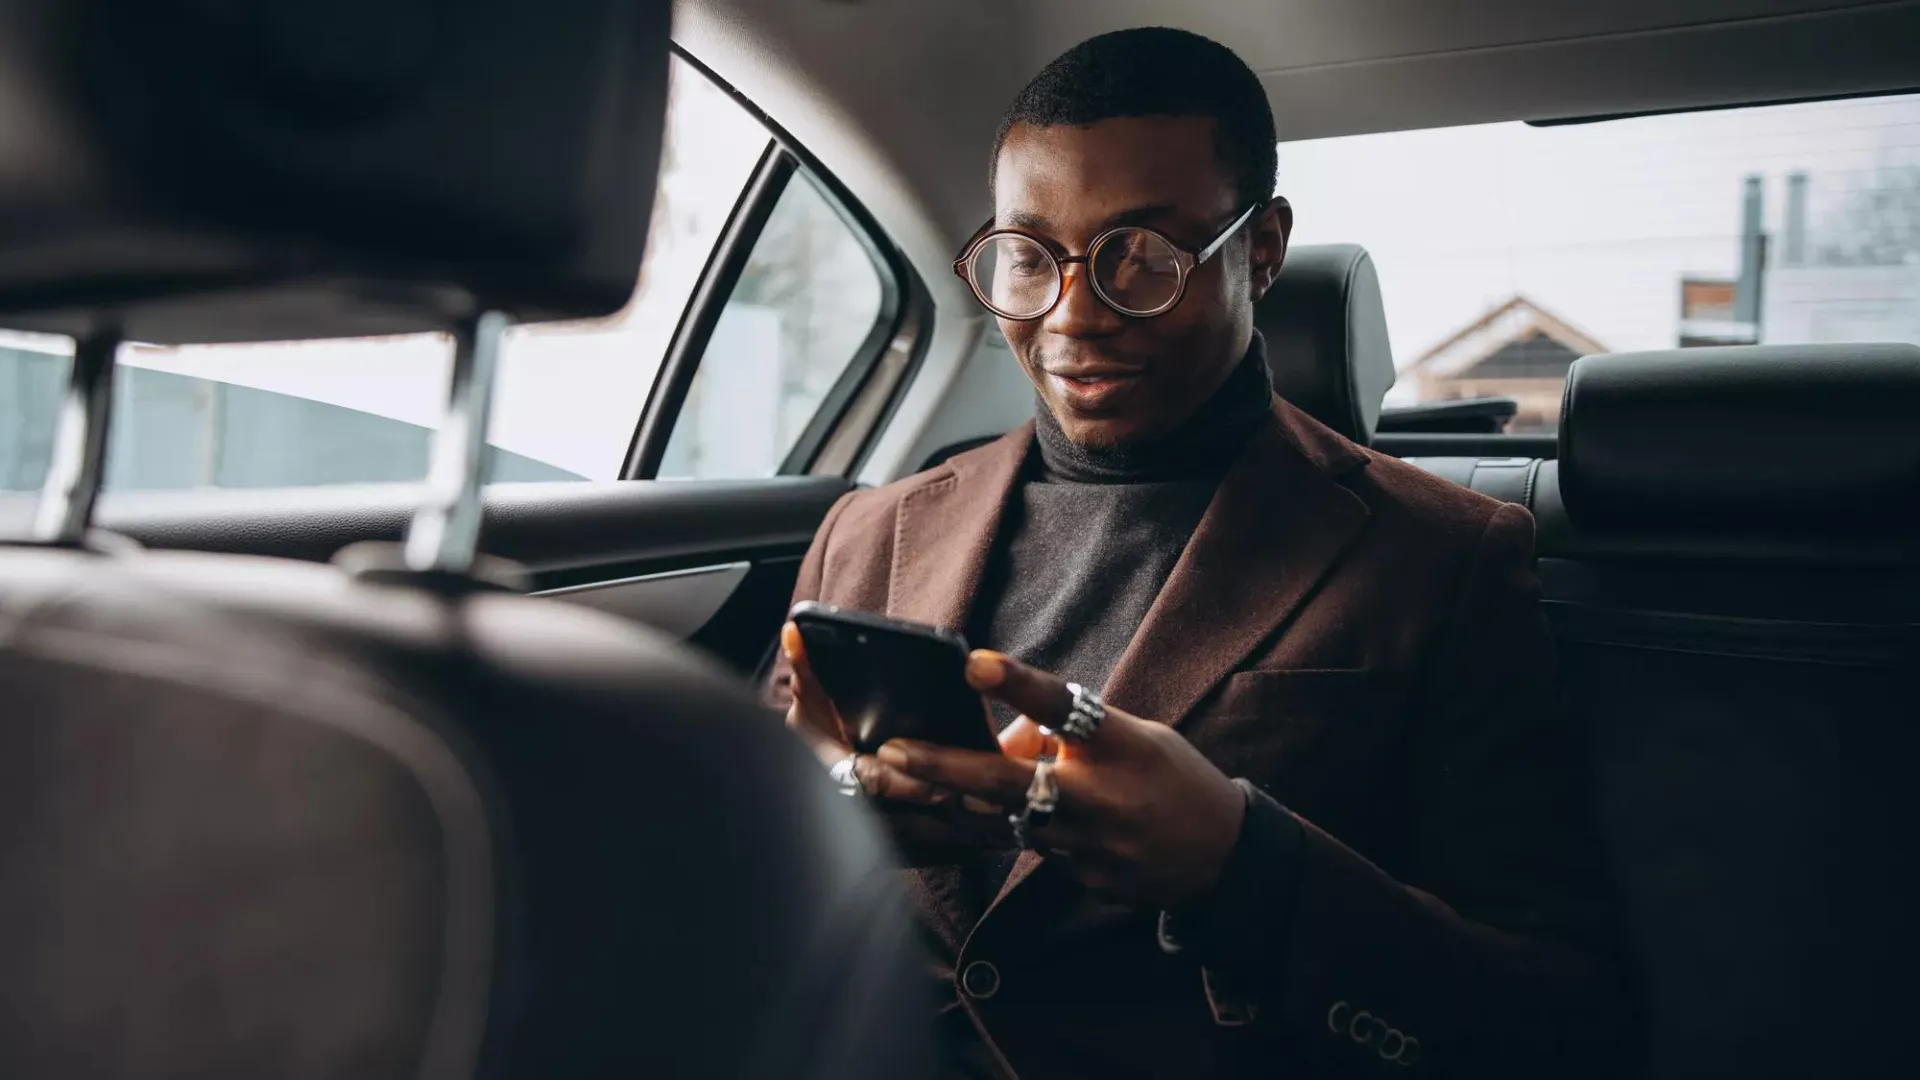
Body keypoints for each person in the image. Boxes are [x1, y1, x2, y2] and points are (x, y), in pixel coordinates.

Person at [772, 26, 1629, 1080]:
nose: (1074, 315)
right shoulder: (870, 530)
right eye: (1030, 256)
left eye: (1143, 254)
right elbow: (761, 875)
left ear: (1260, 248)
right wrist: (823, 808)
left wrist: (1243, 867)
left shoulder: (1443, 558)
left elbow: (1566, 1022)